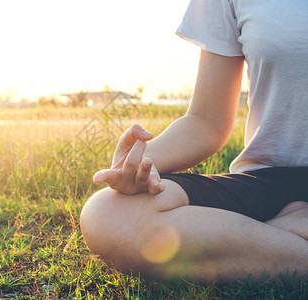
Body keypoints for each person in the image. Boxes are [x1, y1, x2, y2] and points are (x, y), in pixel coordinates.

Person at [80, 0, 308, 283]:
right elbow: (206, 122)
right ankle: (287, 237)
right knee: (109, 215)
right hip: (269, 184)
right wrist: (141, 164)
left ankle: (272, 240)